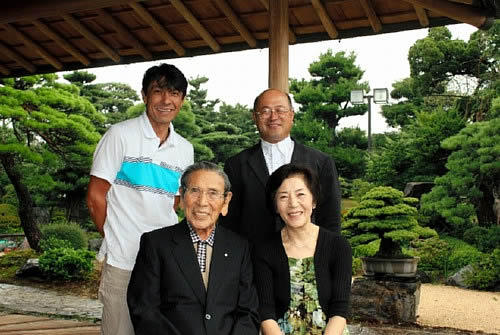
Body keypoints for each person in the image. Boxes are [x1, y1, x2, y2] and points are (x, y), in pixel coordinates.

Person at [86, 63, 194, 335]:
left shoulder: (185, 149)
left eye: (174, 93)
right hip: (123, 260)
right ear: (145, 95)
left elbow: (174, 202)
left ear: (181, 99)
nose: (166, 100)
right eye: (158, 91)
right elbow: (96, 196)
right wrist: (114, 236)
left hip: (163, 263)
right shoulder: (120, 135)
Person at [127, 162, 260, 335]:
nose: (202, 202)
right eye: (194, 191)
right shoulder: (155, 243)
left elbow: (248, 312)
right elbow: (144, 310)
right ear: (182, 196)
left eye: (213, 193)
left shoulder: (239, 248)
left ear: (226, 201)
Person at [222, 88, 341, 244]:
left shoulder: (321, 162)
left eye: (280, 110)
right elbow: (229, 221)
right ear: (254, 117)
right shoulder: (236, 165)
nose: (273, 117)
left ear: (291, 115)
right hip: (252, 259)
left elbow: (330, 217)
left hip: (305, 258)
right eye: (265, 111)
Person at [252, 164, 352, 335]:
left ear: (313, 200)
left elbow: (340, 308)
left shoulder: (338, 246)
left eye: (301, 195)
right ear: (275, 205)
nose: (293, 204)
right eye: (283, 197)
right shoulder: (264, 250)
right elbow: (266, 312)